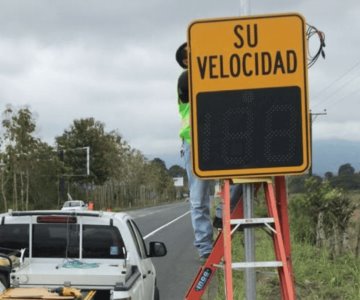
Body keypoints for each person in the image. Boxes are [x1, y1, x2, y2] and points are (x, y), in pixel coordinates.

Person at [176, 43, 242, 261]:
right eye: (191, 53)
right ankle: (205, 248)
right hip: (194, 140)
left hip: (220, 136)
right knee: (198, 197)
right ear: (186, 61)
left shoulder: (216, 74)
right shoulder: (186, 78)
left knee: (241, 177)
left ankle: (222, 215)